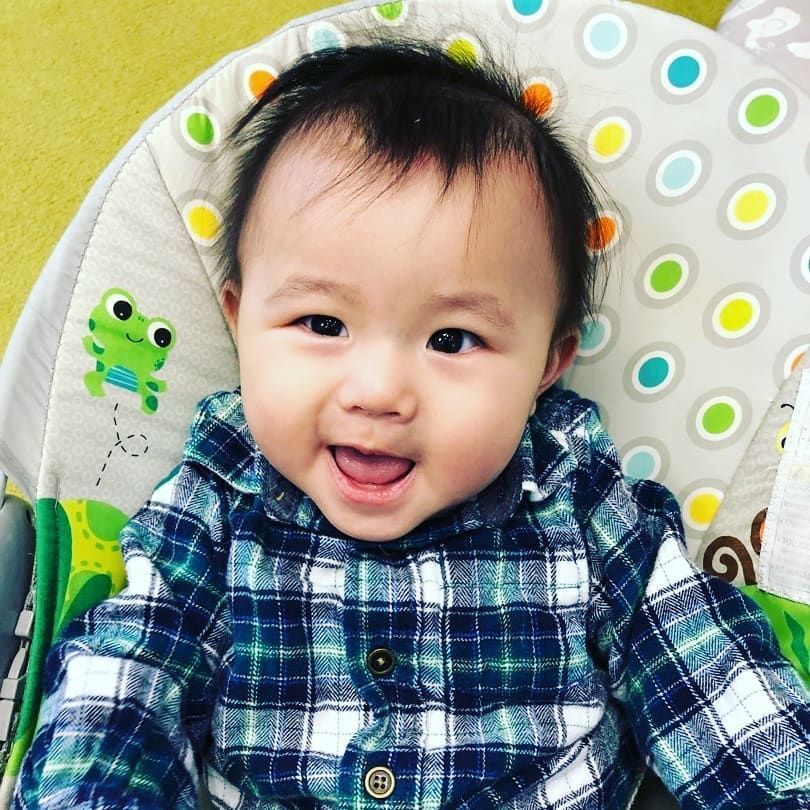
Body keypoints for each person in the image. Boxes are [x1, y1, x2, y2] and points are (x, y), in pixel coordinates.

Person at [13, 41, 810, 809]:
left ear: (545, 365)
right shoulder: (221, 493)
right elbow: (130, 670)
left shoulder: (579, 498)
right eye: (322, 324)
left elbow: (702, 670)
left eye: (451, 340)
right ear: (239, 322)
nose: (379, 391)